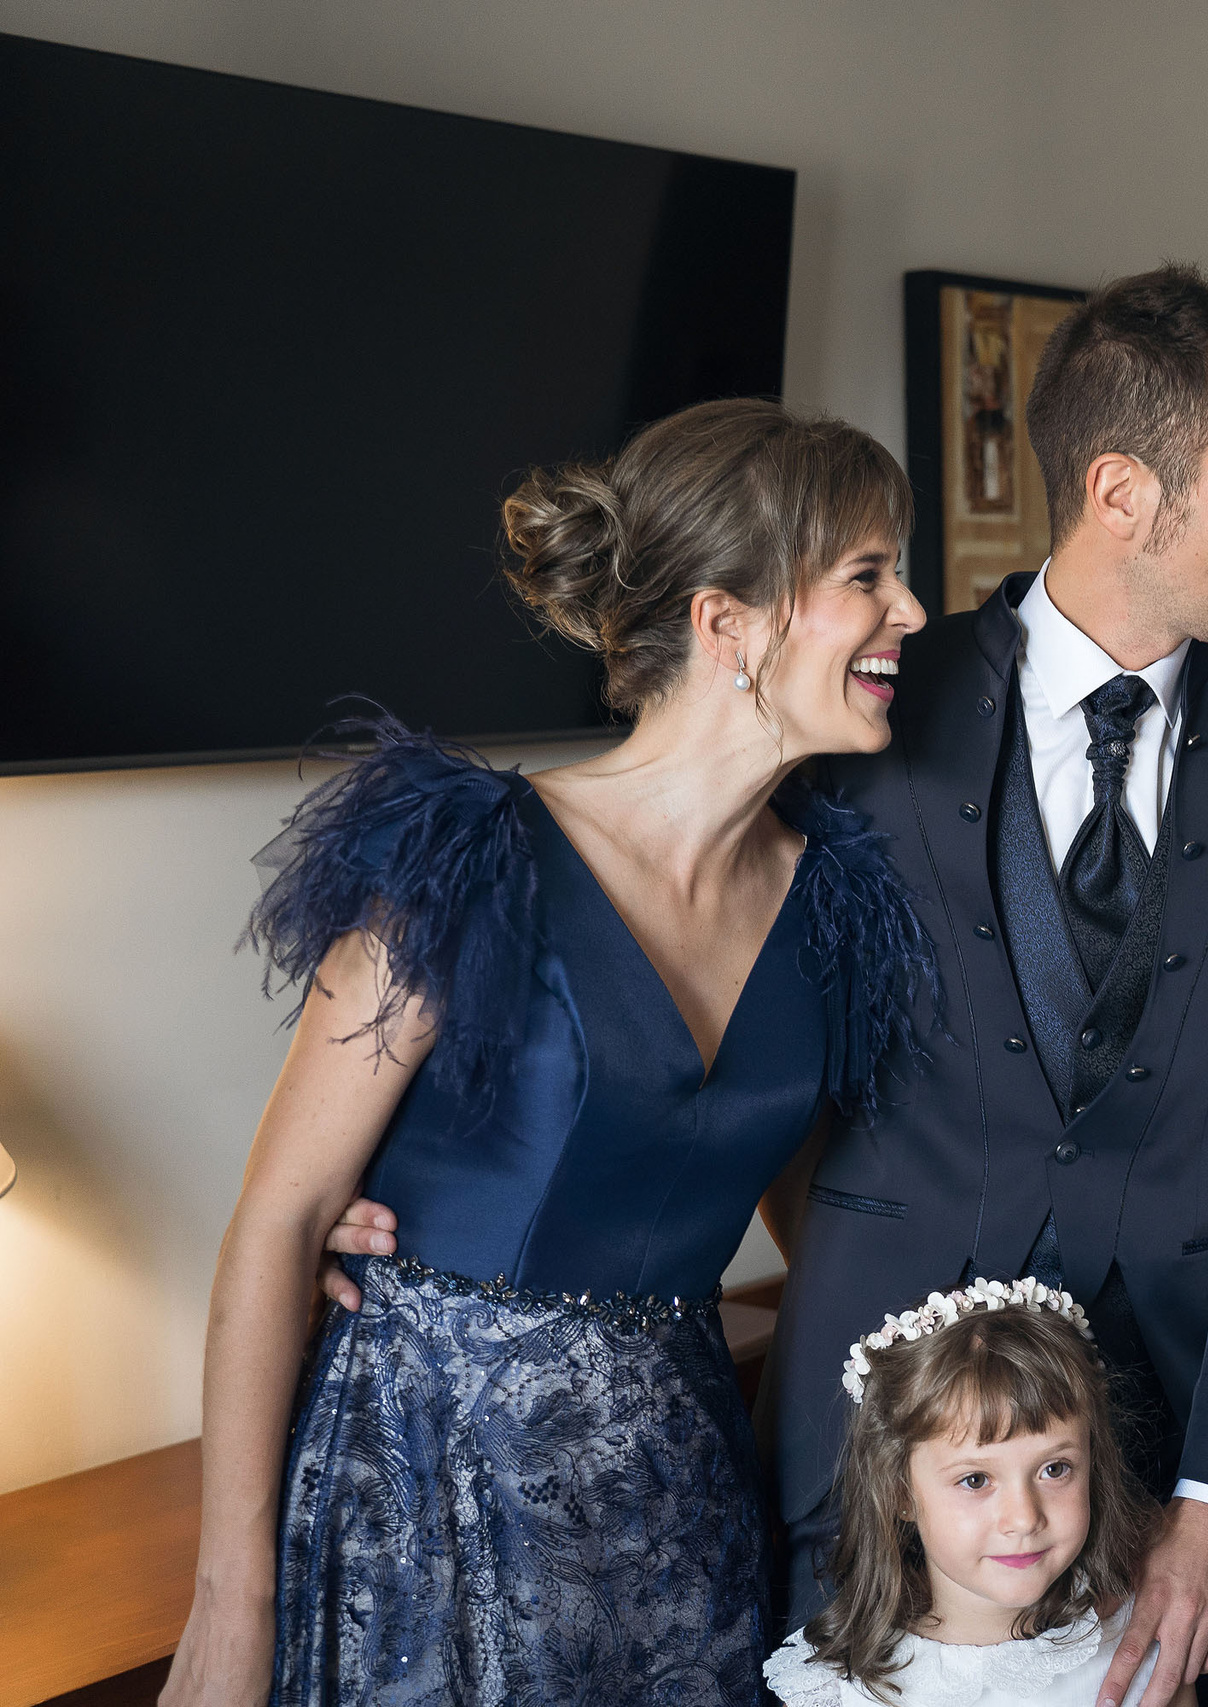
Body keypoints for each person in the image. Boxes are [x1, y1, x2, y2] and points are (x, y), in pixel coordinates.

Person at [315, 266, 1208, 1707]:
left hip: (1183, 1449)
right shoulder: (857, 697)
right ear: (1122, 491)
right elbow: (666, 978)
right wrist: (383, 1202)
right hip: (871, 1447)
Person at [163, 399, 936, 1707]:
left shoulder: (835, 904)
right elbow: (281, 1220)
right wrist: (230, 1607)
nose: (910, 609)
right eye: (867, 575)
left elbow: (824, 1226)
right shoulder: (468, 858)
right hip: (424, 1496)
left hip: (677, 1508)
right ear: (726, 621)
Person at [762, 1278, 1194, 1707]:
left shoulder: (1143, 1633)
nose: (1024, 1518)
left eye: (1054, 1469)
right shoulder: (846, 1690)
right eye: (975, 1480)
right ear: (900, 1494)